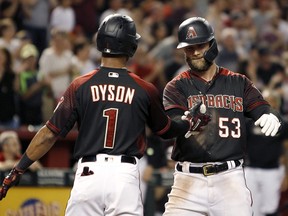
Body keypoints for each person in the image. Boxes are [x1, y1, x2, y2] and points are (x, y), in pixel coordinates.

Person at [0, 14, 195, 216]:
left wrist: (18, 169)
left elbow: (49, 134)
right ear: (131, 46)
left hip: (88, 173)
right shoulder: (144, 88)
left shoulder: (80, 85)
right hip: (124, 176)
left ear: (101, 41)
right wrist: (187, 121)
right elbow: (166, 130)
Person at [162, 17, 282, 216]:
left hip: (230, 179)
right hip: (188, 180)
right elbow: (173, 122)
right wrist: (187, 121)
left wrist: (270, 115)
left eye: (200, 45)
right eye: (189, 48)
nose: (195, 52)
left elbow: (262, 108)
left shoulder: (238, 82)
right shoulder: (176, 86)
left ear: (212, 44)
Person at [244, 89, 288, 216]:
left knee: (270, 208)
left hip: (272, 170)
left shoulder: (283, 124)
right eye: (267, 101)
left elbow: (286, 149)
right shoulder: (249, 121)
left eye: (273, 101)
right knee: (251, 207)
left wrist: (286, 174)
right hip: (250, 169)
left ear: (278, 104)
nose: (270, 104)